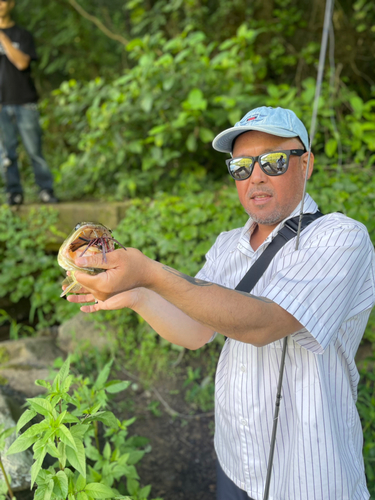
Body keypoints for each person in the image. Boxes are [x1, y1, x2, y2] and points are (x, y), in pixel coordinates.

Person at [66, 106, 375, 500]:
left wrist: (150, 272)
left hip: (308, 474)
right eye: (242, 167)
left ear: (306, 163)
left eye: (274, 162)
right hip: (234, 458)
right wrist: (137, 294)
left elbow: (263, 323)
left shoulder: (341, 237)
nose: (256, 176)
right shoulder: (227, 244)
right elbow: (196, 331)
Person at [0, 0, 58, 205]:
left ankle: (45, 190)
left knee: (34, 150)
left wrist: (2, 37)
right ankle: (14, 192)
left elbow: (22, 63)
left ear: (12, 4)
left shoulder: (21, 35)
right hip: (0, 103)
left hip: (25, 101)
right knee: (6, 154)